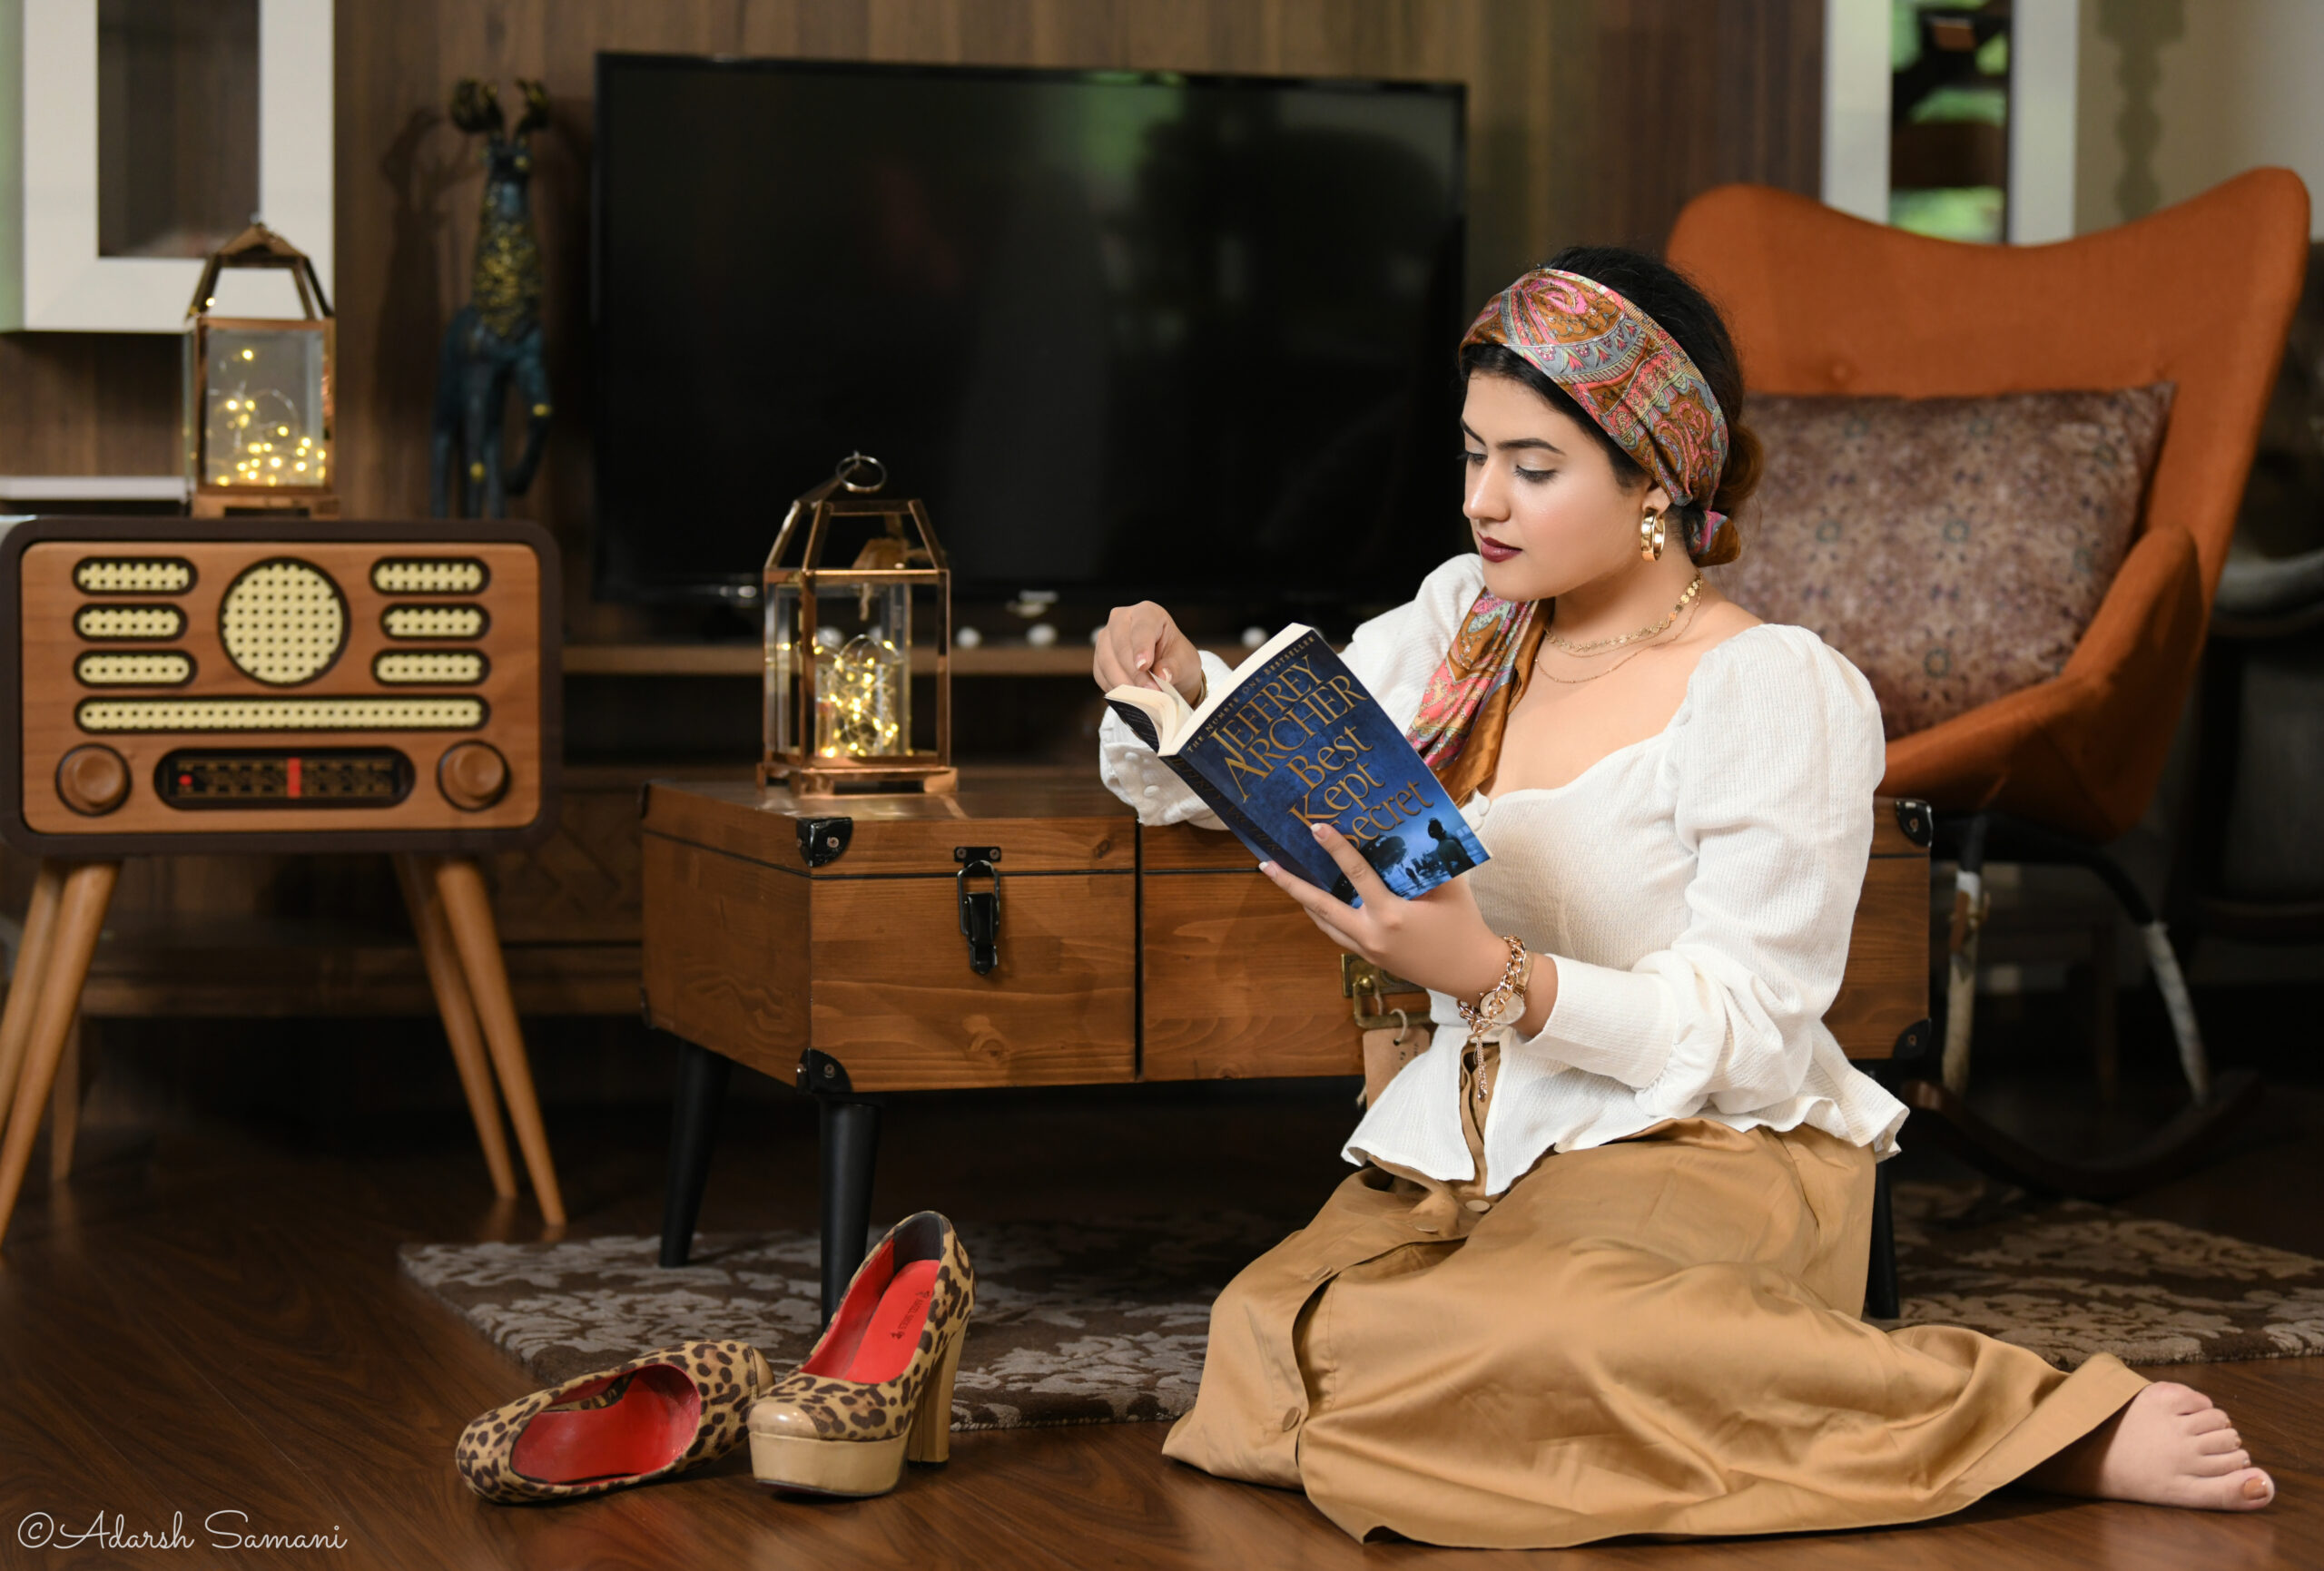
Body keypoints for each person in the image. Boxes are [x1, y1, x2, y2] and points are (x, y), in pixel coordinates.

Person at [1089, 249, 2274, 1548]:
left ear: (1656, 478)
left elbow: (1755, 1030)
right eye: (1474, 454)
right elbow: (1255, 754)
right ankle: (1533, 1410)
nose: (1484, 501)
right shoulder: (1464, 625)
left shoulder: (1774, 687)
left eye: (1534, 467)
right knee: (1268, 1336)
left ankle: (2043, 1422)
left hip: (1709, 1147)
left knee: (1537, 1331)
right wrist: (1175, 682)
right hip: (1477, 1146)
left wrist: (1493, 974)